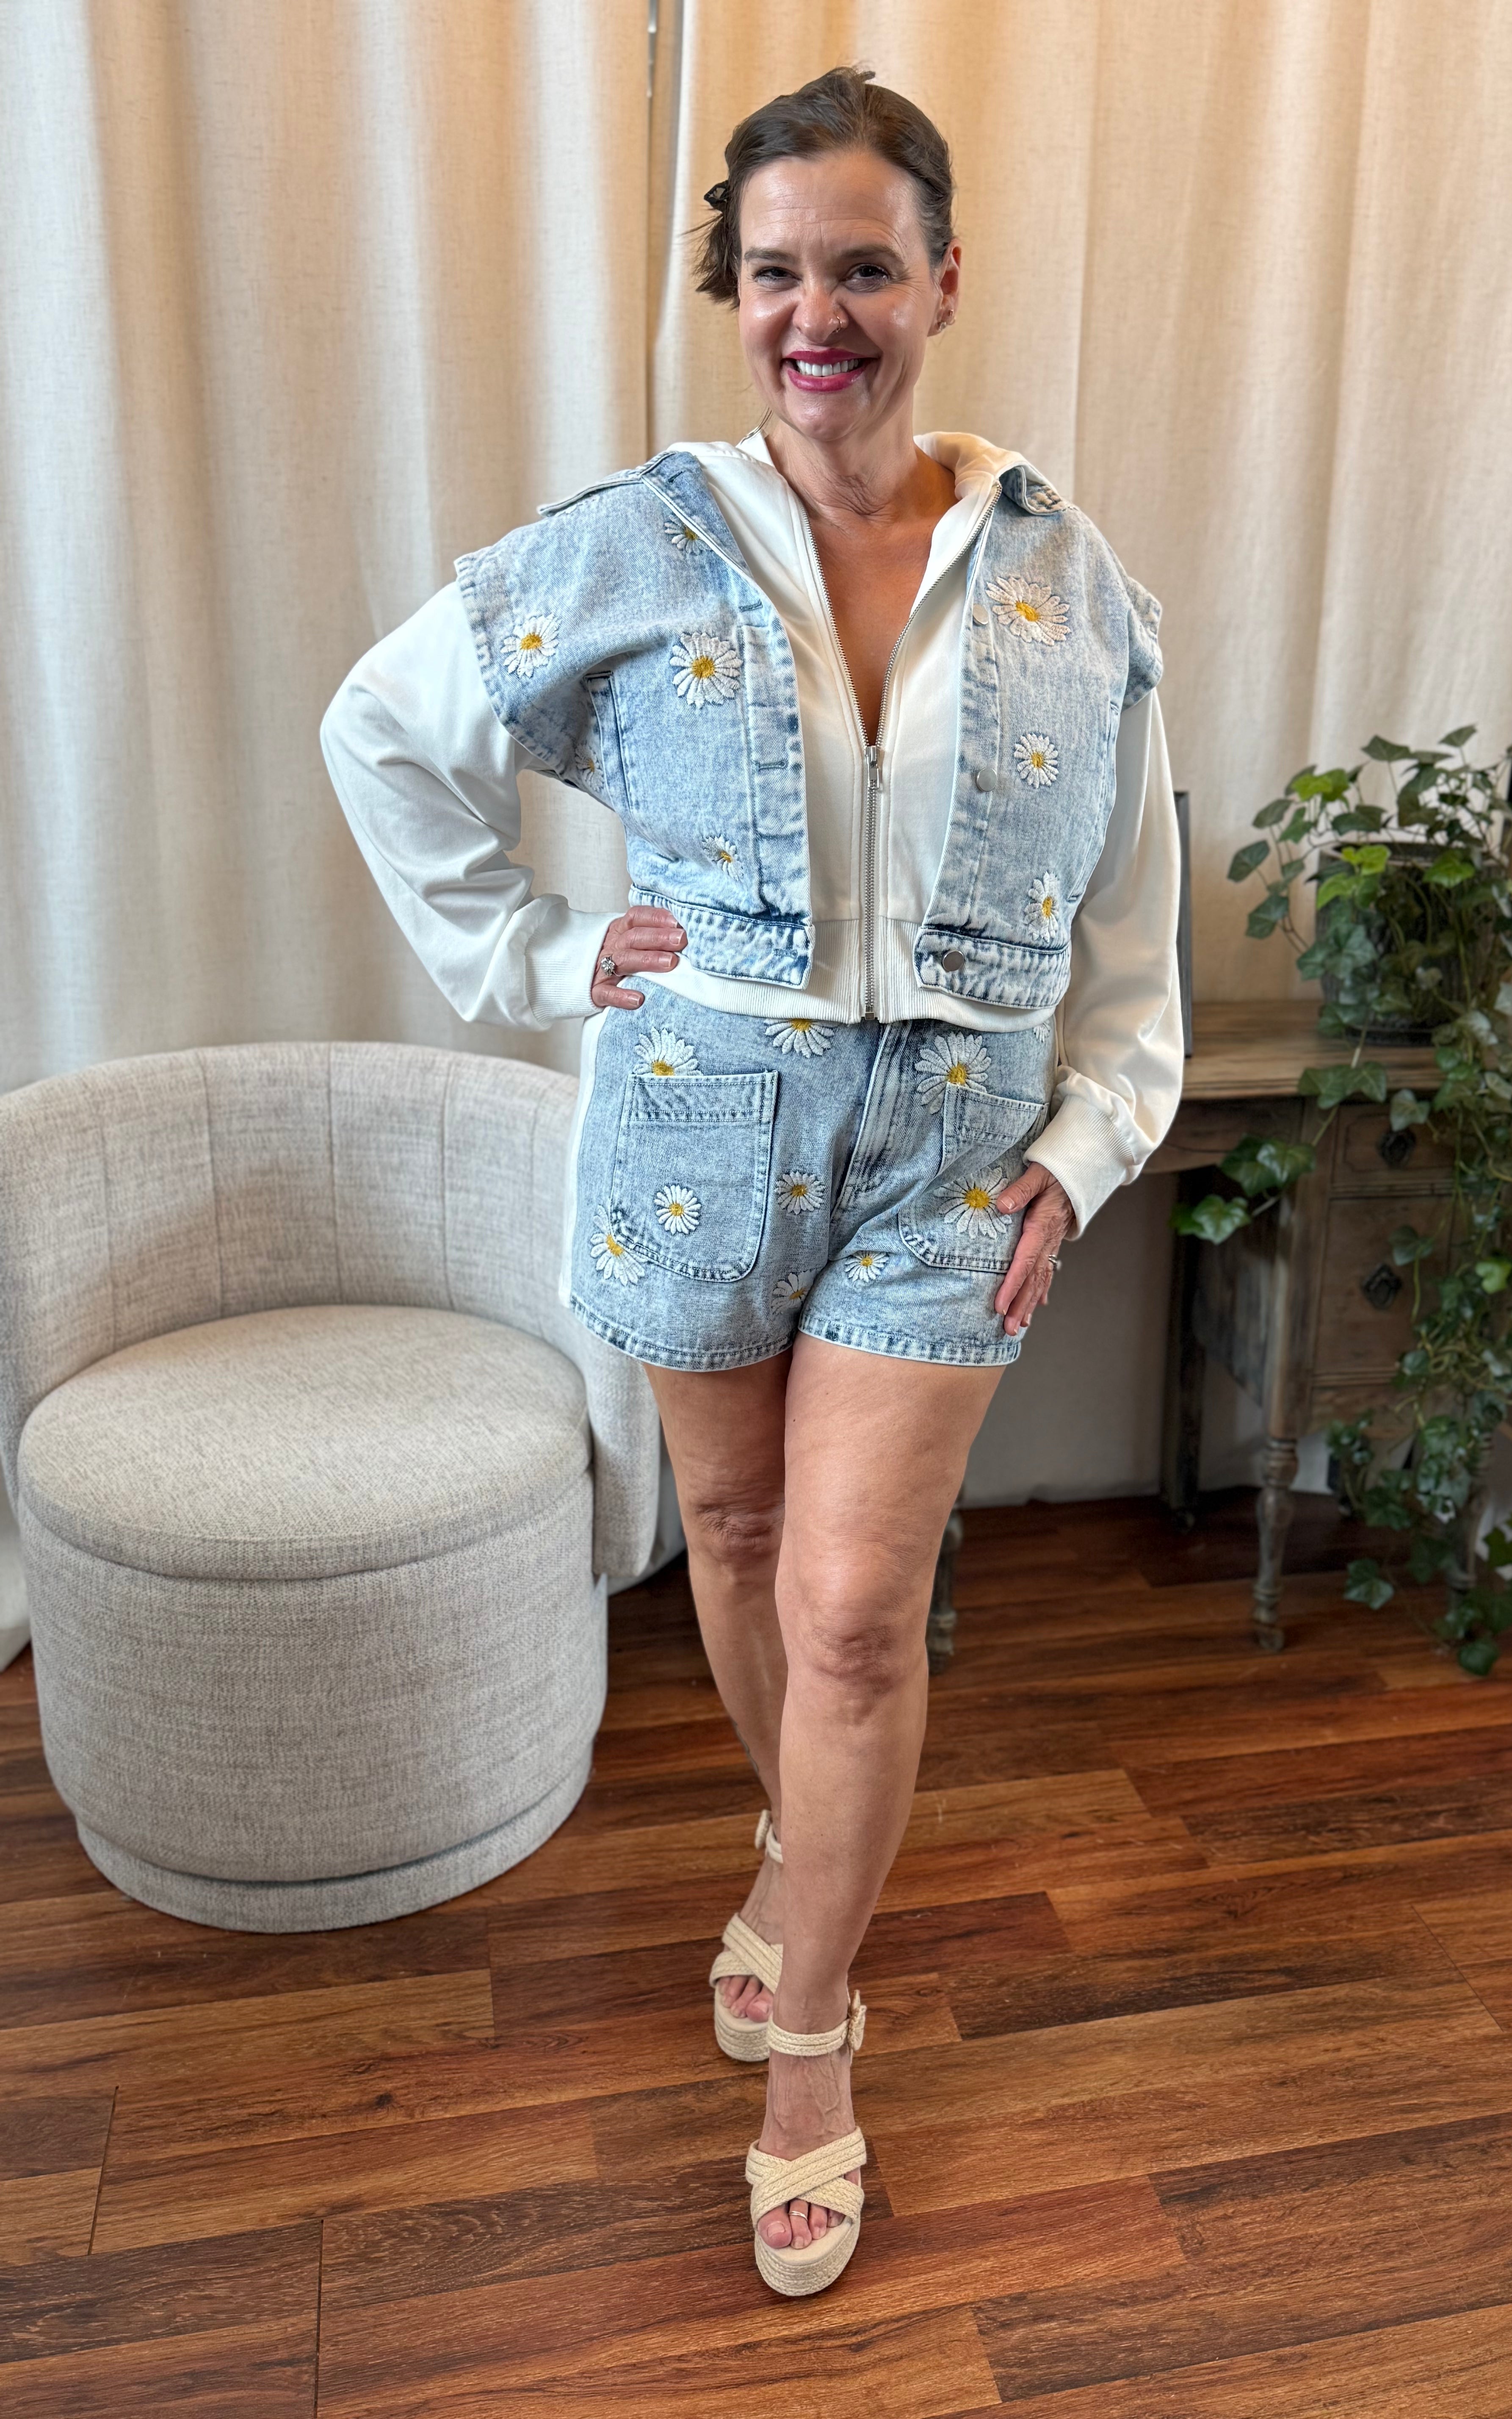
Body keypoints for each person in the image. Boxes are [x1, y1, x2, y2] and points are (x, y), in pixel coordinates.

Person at [322, 64, 1182, 2299]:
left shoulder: (1072, 580)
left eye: (865, 267)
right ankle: (805, 1852)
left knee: (858, 1610)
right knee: (725, 1537)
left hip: (952, 1157)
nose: (822, 313)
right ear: (740, 291)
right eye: (779, 270)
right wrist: (525, 953)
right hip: (697, 1126)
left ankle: (814, 2033)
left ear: (942, 283)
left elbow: (1137, 940)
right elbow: (382, 729)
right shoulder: (633, 538)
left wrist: (1086, 1154)